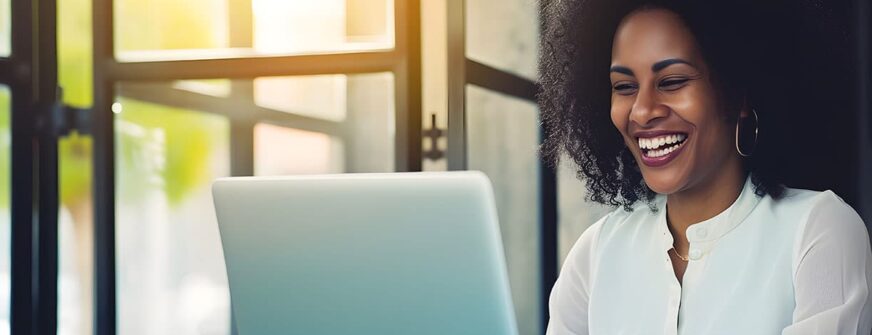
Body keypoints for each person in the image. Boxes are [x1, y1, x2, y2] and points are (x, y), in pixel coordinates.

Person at [538, 0, 872, 334]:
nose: (641, 112)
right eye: (624, 87)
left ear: (738, 92)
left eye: (672, 81)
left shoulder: (818, 231)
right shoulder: (595, 253)